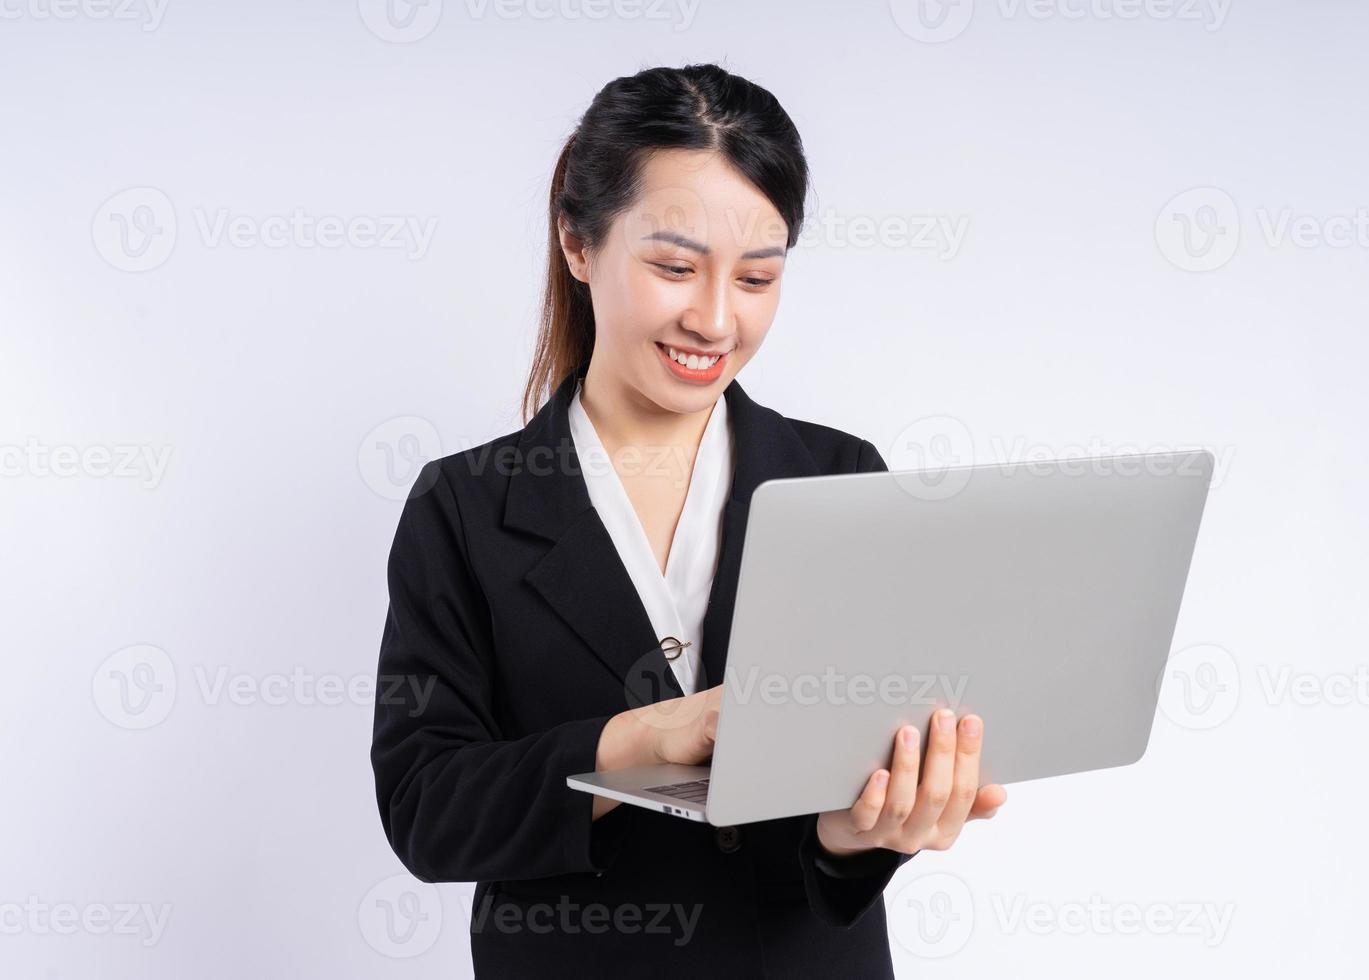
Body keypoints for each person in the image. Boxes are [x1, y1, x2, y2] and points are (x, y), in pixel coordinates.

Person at [370, 62, 1007, 978]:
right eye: (675, 267)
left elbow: (845, 804)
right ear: (577, 243)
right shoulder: (462, 507)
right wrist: (632, 741)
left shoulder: (840, 478)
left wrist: (860, 831)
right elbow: (426, 808)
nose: (714, 320)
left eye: (757, 278)